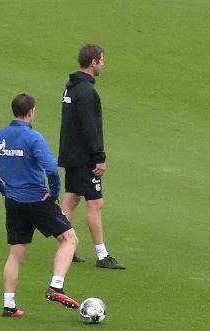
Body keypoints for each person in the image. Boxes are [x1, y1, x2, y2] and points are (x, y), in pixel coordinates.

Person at [0, 93, 81, 317]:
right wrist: (54, 193)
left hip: (13, 202)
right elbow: (51, 170)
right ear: (31, 111)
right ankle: (56, 286)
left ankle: (9, 305)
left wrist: (1, 188)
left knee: (15, 253)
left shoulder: (0, 136)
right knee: (70, 239)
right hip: (37, 200)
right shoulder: (33, 138)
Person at [59, 44, 124, 270]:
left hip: (71, 153)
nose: (103, 64)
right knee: (95, 203)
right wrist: (99, 156)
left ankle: (66, 245)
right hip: (84, 157)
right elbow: (89, 127)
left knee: (72, 198)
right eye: (102, 60)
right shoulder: (87, 91)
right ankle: (102, 255)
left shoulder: (71, 88)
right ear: (93, 61)